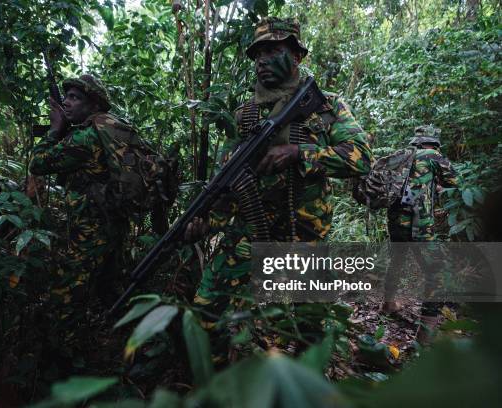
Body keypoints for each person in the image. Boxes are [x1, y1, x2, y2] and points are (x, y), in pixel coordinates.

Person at [185, 17, 373, 325]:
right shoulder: (244, 114)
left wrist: (299, 153)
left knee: (310, 331)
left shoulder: (327, 107)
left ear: (297, 55)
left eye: (272, 50)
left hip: (306, 238)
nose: (262, 61)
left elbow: (362, 158)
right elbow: (228, 183)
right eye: (258, 54)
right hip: (250, 235)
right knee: (205, 318)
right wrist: (207, 222)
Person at [29, 74, 131, 305]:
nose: (65, 102)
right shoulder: (109, 128)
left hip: (91, 229)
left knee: (66, 295)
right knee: (108, 289)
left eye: (74, 98)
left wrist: (55, 129)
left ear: (93, 105)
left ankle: (64, 337)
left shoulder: (85, 137)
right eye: (65, 97)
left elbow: (37, 164)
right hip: (114, 222)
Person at [382, 125, 458, 342]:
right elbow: (454, 182)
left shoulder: (402, 156)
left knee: (397, 258)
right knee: (438, 271)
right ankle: (425, 333)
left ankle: (387, 304)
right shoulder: (434, 156)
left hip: (395, 220)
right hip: (419, 225)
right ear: (434, 142)